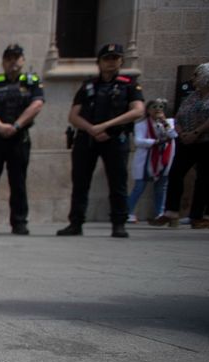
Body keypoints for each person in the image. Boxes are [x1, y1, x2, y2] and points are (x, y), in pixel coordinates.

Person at [58, 43, 145, 238]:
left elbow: (138, 110)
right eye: (107, 59)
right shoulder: (89, 85)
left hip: (115, 138)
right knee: (80, 182)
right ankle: (76, 223)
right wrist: (91, 129)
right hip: (87, 139)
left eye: (115, 59)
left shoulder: (129, 84)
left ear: (121, 61)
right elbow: (74, 115)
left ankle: (119, 224)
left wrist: (106, 126)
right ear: (99, 62)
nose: (111, 63)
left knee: (118, 182)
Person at [0, 44, 45, 235]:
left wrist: (16, 126)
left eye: (17, 58)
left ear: (23, 60)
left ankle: (19, 222)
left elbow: (37, 105)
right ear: (3, 62)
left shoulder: (31, 82)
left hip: (18, 139)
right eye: (9, 58)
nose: (13, 62)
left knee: (18, 181)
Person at [157, 61, 209, 229]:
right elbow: (179, 116)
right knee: (176, 173)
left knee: (204, 178)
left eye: (197, 75)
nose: (193, 79)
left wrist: (196, 133)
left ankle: (197, 215)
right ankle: (171, 211)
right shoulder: (191, 96)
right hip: (186, 141)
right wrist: (182, 133)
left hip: (206, 141)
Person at [128, 99, 177, 225]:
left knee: (161, 188)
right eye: (154, 107)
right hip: (146, 161)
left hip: (164, 159)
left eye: (160, 107)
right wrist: (154, 142)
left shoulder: (169, 122)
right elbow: (138, 141)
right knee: (139, 187)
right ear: (148, 110)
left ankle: (160, 213)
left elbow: (173, 135)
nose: (158, 109)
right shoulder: (141, 125)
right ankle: (127, 212)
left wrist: (164, 122)